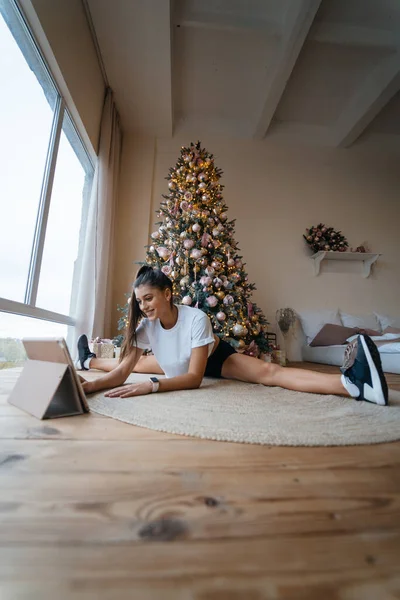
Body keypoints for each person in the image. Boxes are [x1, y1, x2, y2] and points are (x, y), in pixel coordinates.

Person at [77, 266, 389, 405]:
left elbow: (194, 378)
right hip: (175, 360)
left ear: (168, 294)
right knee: (132, 364)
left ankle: (353, 385)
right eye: (140, 300)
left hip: (210, 359)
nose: (144, 306)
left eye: (149, 298)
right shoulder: (145, 327)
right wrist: (88, 388)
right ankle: (88, 361)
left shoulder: (196, 318)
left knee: (270, 372)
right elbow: (120, 373)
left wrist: (153, 386)